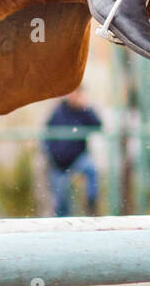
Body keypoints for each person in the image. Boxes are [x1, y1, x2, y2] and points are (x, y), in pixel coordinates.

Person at [41, 89, 103, 218]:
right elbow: (46, 134)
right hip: (58, 163)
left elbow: (98, 125)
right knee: (61, 200)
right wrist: (50, 154)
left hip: (77, 158)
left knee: (91, 169)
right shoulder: (58, 111)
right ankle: (63, 222)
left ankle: (91, 204)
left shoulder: (84, 112)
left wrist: (86, 108)